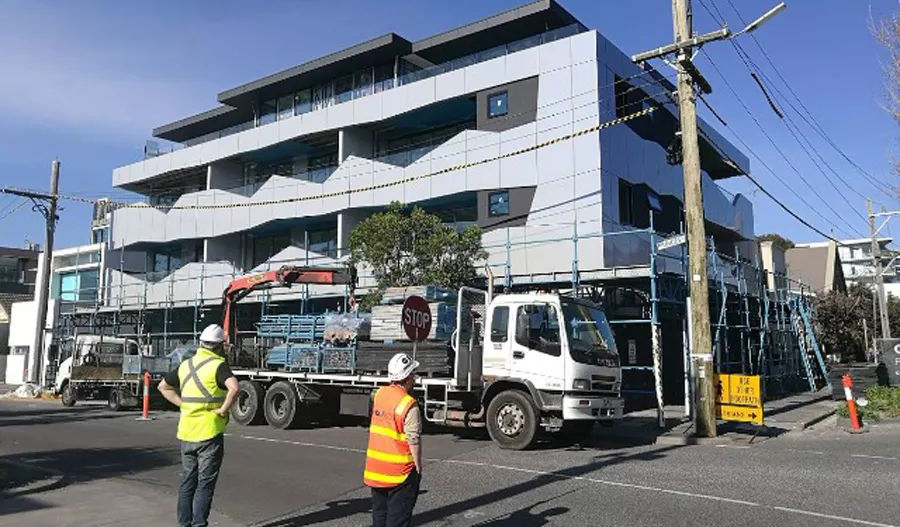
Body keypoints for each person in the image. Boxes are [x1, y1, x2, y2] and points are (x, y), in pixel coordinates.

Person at [158, 324, 240, 527]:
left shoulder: (186, 365)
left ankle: (184, 524)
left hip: (187, 432)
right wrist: (223, 410)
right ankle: (199, 524)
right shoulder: (219, 365)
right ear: (220, 346)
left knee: (187, 482)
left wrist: (183, 404)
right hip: (209, 433)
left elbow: (163, 386)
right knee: (205, 484)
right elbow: (235, 387)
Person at [363, 353, 423, 527]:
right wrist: (418, 468)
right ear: (407, 377)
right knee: (398, 520)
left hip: (376, 470)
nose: (414, 378)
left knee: (379, 516)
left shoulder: (379, 394)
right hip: (400, 473)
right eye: (413, 374)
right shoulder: (408, 404)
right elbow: (414, 440)